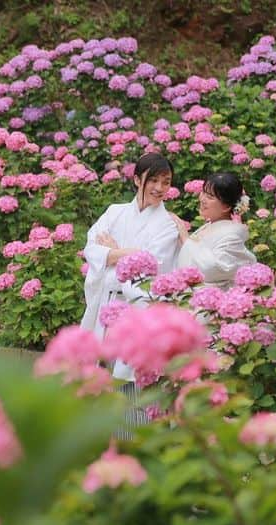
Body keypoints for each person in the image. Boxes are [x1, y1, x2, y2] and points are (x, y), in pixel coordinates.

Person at [81, 152, 179, 381]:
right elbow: (91, 248)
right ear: (137, 180)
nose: (159, 187)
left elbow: (152, 265)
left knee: (129, 374)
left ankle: (132, 418)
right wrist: (129, 253)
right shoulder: (116, 212)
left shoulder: (168, 225)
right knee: (95, 370)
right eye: (153, 180)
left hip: (136, 307)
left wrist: (111, 254)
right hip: (105, 301)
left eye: (166, 182)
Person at [172, 172, 255, 286]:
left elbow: (212, 269)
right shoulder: (210, 225)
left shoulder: (232, 236)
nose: (202, 199)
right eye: (204, 193)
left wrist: (186, 240)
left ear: (226, 207)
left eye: (210, 197)